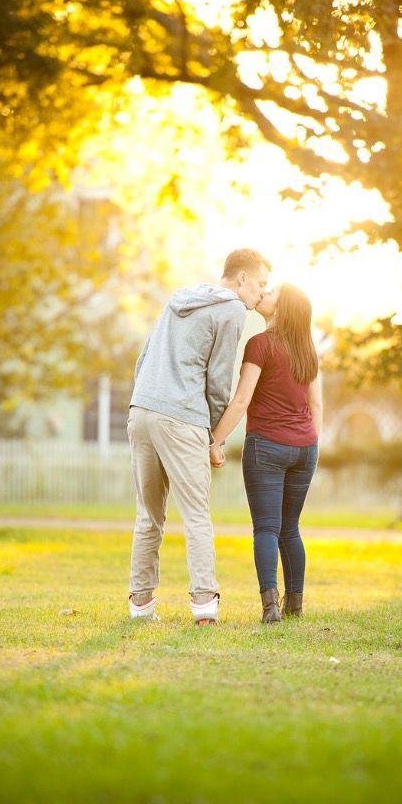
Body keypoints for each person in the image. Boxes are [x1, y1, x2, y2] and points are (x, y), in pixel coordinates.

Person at [127, 249, 271, 625]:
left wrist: (142, 401)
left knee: (149, 515)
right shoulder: (232, 310)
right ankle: (205, 606)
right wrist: (215, 437)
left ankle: (140, 606)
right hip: (181, 417)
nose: (260, 295)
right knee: (196, 516)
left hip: (141, 409)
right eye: (260, 284)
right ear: (241, 279)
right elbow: (220, 380)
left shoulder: (180, 298)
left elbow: (144, 356)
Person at [209, 283, 322, 623]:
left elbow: (241, 400)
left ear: (282, 308)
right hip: (305, 449)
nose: (264, 294)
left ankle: (271, 606)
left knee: (267, 529)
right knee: (291, 528)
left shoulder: (260, 345)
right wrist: (311, 442)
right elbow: (316, 403)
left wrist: (215, 440)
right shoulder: (308, 351)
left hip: (267, 447)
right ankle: (295, 606)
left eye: (271, 293)